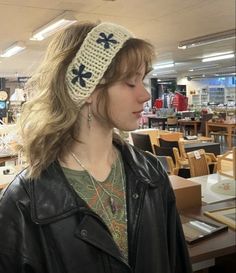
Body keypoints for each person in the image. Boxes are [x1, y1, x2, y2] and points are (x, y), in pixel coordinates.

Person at [0, 22, 192, 273]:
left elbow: (176, 261)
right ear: (88, 88)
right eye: (130, 83)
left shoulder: (151, 173)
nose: (145, 95)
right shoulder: (25, 201)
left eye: (142, 80)